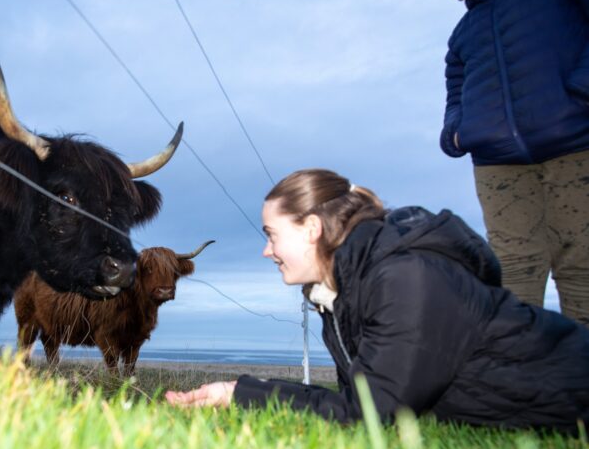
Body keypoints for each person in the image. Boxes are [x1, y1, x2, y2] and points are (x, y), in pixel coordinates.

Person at [165, 169, 589, 434]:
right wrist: (236, 390)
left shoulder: (406, 277)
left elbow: (368, 414)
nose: (266, 251)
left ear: (312, 227)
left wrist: (244, 394)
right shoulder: (338, 292)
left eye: (271, 235)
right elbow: (366, 394)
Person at [440, 0, 589, 326]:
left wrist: (580, 96)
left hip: (576, 147)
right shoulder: (462, 34)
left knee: (582, 265)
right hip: (498, 163)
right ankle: (521, 372)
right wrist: (457, 133)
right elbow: (455, 90)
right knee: (512, 271)